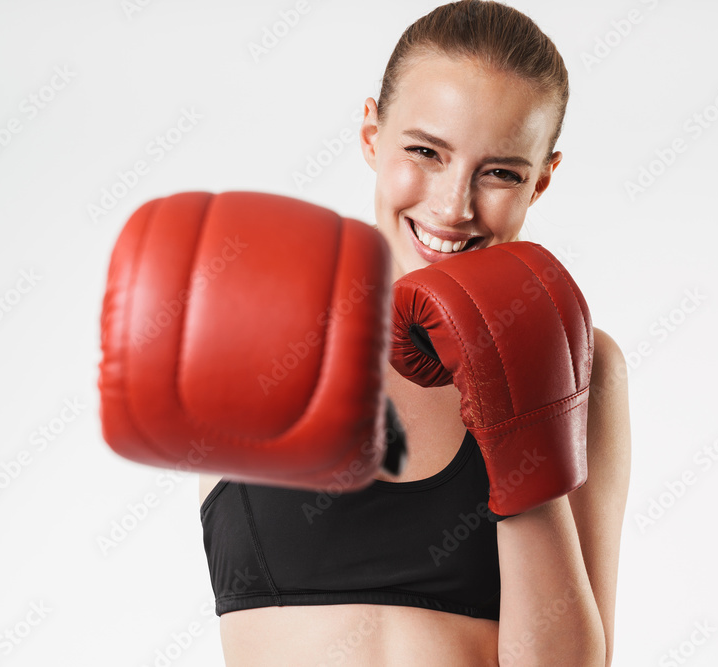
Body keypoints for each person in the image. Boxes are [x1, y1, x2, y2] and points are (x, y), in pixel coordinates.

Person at [197, 2, 631, 664]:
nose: (453, 206)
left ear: (541, 180)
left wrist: (524, 441)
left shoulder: (581, 362)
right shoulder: (243, 338)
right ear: (372, 135)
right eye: (426, 151)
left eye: (501, 172)